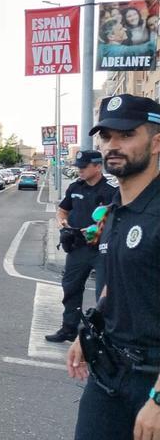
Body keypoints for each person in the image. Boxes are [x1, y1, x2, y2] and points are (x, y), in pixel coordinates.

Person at [67, 93, 160, 440]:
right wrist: (90, 326)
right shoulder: (115, 208)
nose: (113, 145)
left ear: (156, 143)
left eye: (126, 135)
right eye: (106, 137)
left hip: (152, 380)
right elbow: (118, 281)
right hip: (109, 371)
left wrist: (158, 399)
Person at [45, 149, 117, 343]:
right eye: (79, 167)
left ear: (97, 165)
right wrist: (62, 223)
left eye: (84, 167)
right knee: (70, 288)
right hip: (78, 247)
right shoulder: (76, 187)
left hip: (102, 249)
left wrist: (97, 227)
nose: (80, 171)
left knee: (105, 295)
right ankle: (69, 329)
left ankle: (104, 337)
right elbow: (62, 210)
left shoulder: (112, 189)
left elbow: (119, 217)